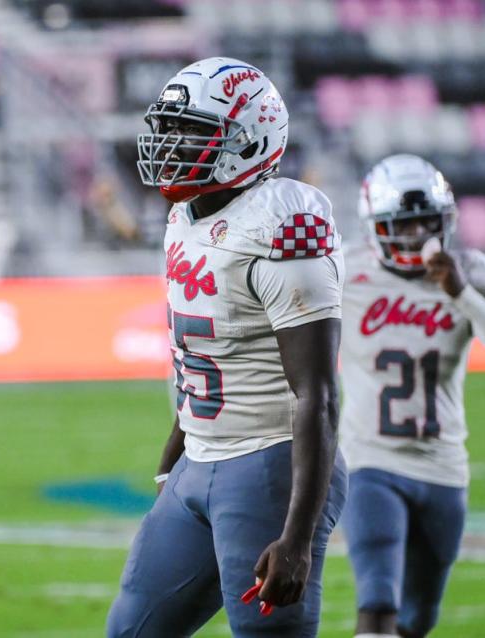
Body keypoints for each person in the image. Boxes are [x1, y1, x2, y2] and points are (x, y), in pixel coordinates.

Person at [106, 57, 348, 638]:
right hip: (201, 459)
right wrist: (179, 439)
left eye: (191, 130)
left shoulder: (283, 223)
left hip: (268, 465)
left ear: (250, 138)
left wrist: (297, 536)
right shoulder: (183, 216)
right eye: (170, 126)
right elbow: (200, 352)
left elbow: (315, 392)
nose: (170, 142)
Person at [339, 154, 485, 638]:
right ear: (376, 226)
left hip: (443, 466)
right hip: (371, 461)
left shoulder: (470, 272)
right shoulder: (345, 273)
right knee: (378, 601)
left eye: (426, 222)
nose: (415, 235)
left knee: (418, 619)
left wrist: (461, 292)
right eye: (401, 225)